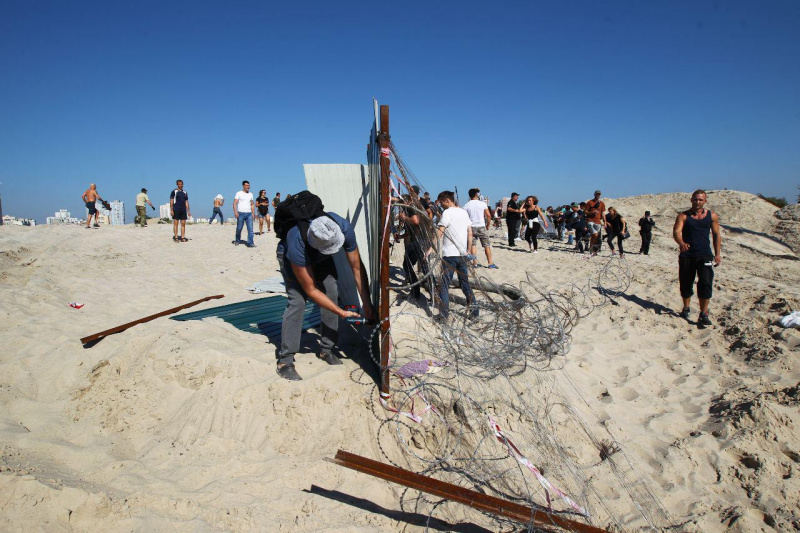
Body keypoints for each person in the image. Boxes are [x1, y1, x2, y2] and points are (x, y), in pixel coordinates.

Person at [276, 209, 374, 381]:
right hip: (293, 258)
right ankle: (285, 361)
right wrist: (342, 312)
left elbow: (357, 269)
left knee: (331, 291)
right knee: (297, 302)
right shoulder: (296, 242)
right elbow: (311, 290)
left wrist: (367, 304)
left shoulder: (343, 227)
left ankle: (326, 350)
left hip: (321, 257)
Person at [673, 190, 722, 326]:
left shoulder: (712, 216)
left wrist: (717, 254)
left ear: (705, 201)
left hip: (705, 254)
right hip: (687, 255)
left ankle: (703, 313)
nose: (698, 202)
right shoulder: (683, 216)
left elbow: (717, 235)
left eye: (700, 200)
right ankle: (686, 307)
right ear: (691, 200)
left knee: (705, 283)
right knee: (686, 282)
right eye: (695, 199)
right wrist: (681, 243)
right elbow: (676, 232)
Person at [435, 191, 477, 321]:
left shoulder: (447, 213)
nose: (441, 205)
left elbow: (439, 232)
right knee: (464, 283)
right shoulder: (463, 212)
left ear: (447, 200)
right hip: (462, 254)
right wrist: (468, 251)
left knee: (444, 285)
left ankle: (443, 315)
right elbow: (470, 233)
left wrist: (431, 248)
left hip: (450, 255)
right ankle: (475, 313)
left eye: (441, 202)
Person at [398, 187, 433, 299]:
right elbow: (410, 231)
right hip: (419, 240)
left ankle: (418, 289)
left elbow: (415, 221)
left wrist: (404, 218)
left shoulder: (413, 206)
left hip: (418, 241)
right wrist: (400, 236)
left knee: (409, 265)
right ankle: (428, 291)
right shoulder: (418, 205)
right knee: (421, 266)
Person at [464, 188, 498, 268]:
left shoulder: (467, 205)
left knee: (473, 245)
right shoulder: (482, 204)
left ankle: (475, 263)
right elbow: (488, 215)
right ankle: (490, 263)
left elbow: (464, 215)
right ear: (476, 194)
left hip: (471, 227)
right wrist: (488, 225)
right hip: (481, 226)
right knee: (486, 245)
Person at [233, 180, 256, 247]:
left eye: (249, 185)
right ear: (243, 186)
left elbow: (252, 204)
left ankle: (250, 243)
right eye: (246, 185)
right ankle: (237, 240)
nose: (248, 187)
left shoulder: (251, 194)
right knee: (239, 228)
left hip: (249, 213)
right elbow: (235, 203)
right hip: (241, 213)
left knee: (250, 229)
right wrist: (235, 212)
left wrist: (253, 213)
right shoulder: (239, 193)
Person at [585, 190, 606, 254]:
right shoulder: (589, 202)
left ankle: (592, 248)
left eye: (599, 194)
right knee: (595, 234)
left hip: (598, 221)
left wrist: (605, 222)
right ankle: (591, 248)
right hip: (590, 220)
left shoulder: (602, 203)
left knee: (595, 236)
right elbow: (585, 211)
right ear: (594, 194)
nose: (598, 195)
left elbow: (603, 213)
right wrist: (592, 212)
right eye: (597, 194)